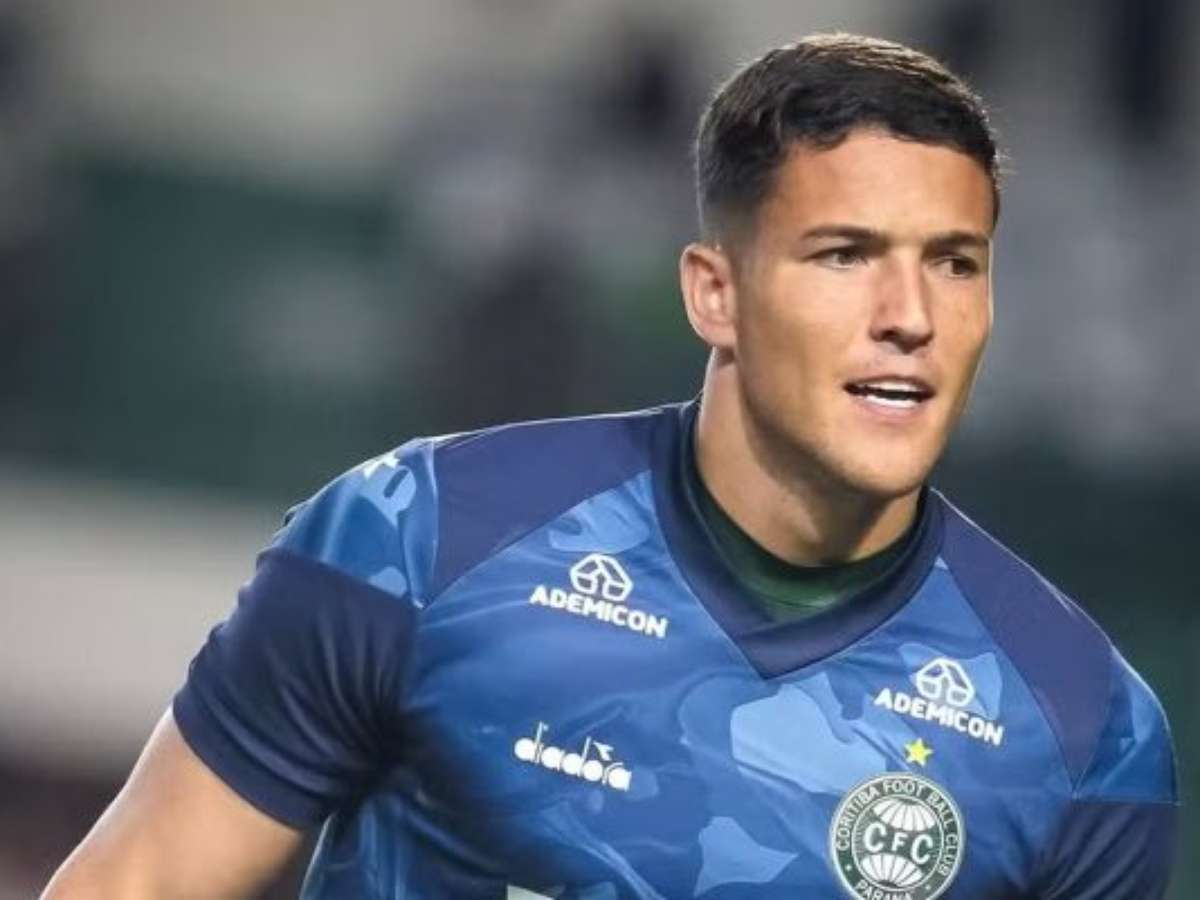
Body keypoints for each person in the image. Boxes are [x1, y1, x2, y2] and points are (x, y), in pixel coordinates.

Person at [44, 33, 1177, 899]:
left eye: (956, 264)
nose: (910, 316)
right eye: (844, 255)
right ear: (714, 294)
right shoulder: (420, 538)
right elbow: (136, 881)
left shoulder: (1086, 736)